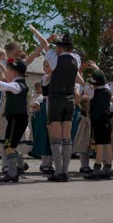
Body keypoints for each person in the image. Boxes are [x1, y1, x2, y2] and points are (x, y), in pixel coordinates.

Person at [37, 33, 84, 182]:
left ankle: (58, 172)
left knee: (56, 137)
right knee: (67, 136)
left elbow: (45, 44)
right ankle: (65, 172)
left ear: (59, 47)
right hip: (70, 99)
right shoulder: (76, 58)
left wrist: (45, 39)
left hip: (56, 98)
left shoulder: (53, 57)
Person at [0, 58, 30, 183]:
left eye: (7, 71)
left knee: (8, 146)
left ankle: (13, 173)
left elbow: (5, 84)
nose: (5, 73)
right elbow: (8, 81)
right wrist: (3, 67)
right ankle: (20, 166)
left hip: (16, 118)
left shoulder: (17, 85)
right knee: (10, 146)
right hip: (15, 118)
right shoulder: (18, 82)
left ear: (14, 73)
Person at [84, 70, 113, 180]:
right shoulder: (108, 91)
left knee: (100, 144)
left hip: (98, 121)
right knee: (107, 144)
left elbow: (86, 88)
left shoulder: (94, 92)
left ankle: (97, 169)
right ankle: (108, 168)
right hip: (106, 120)